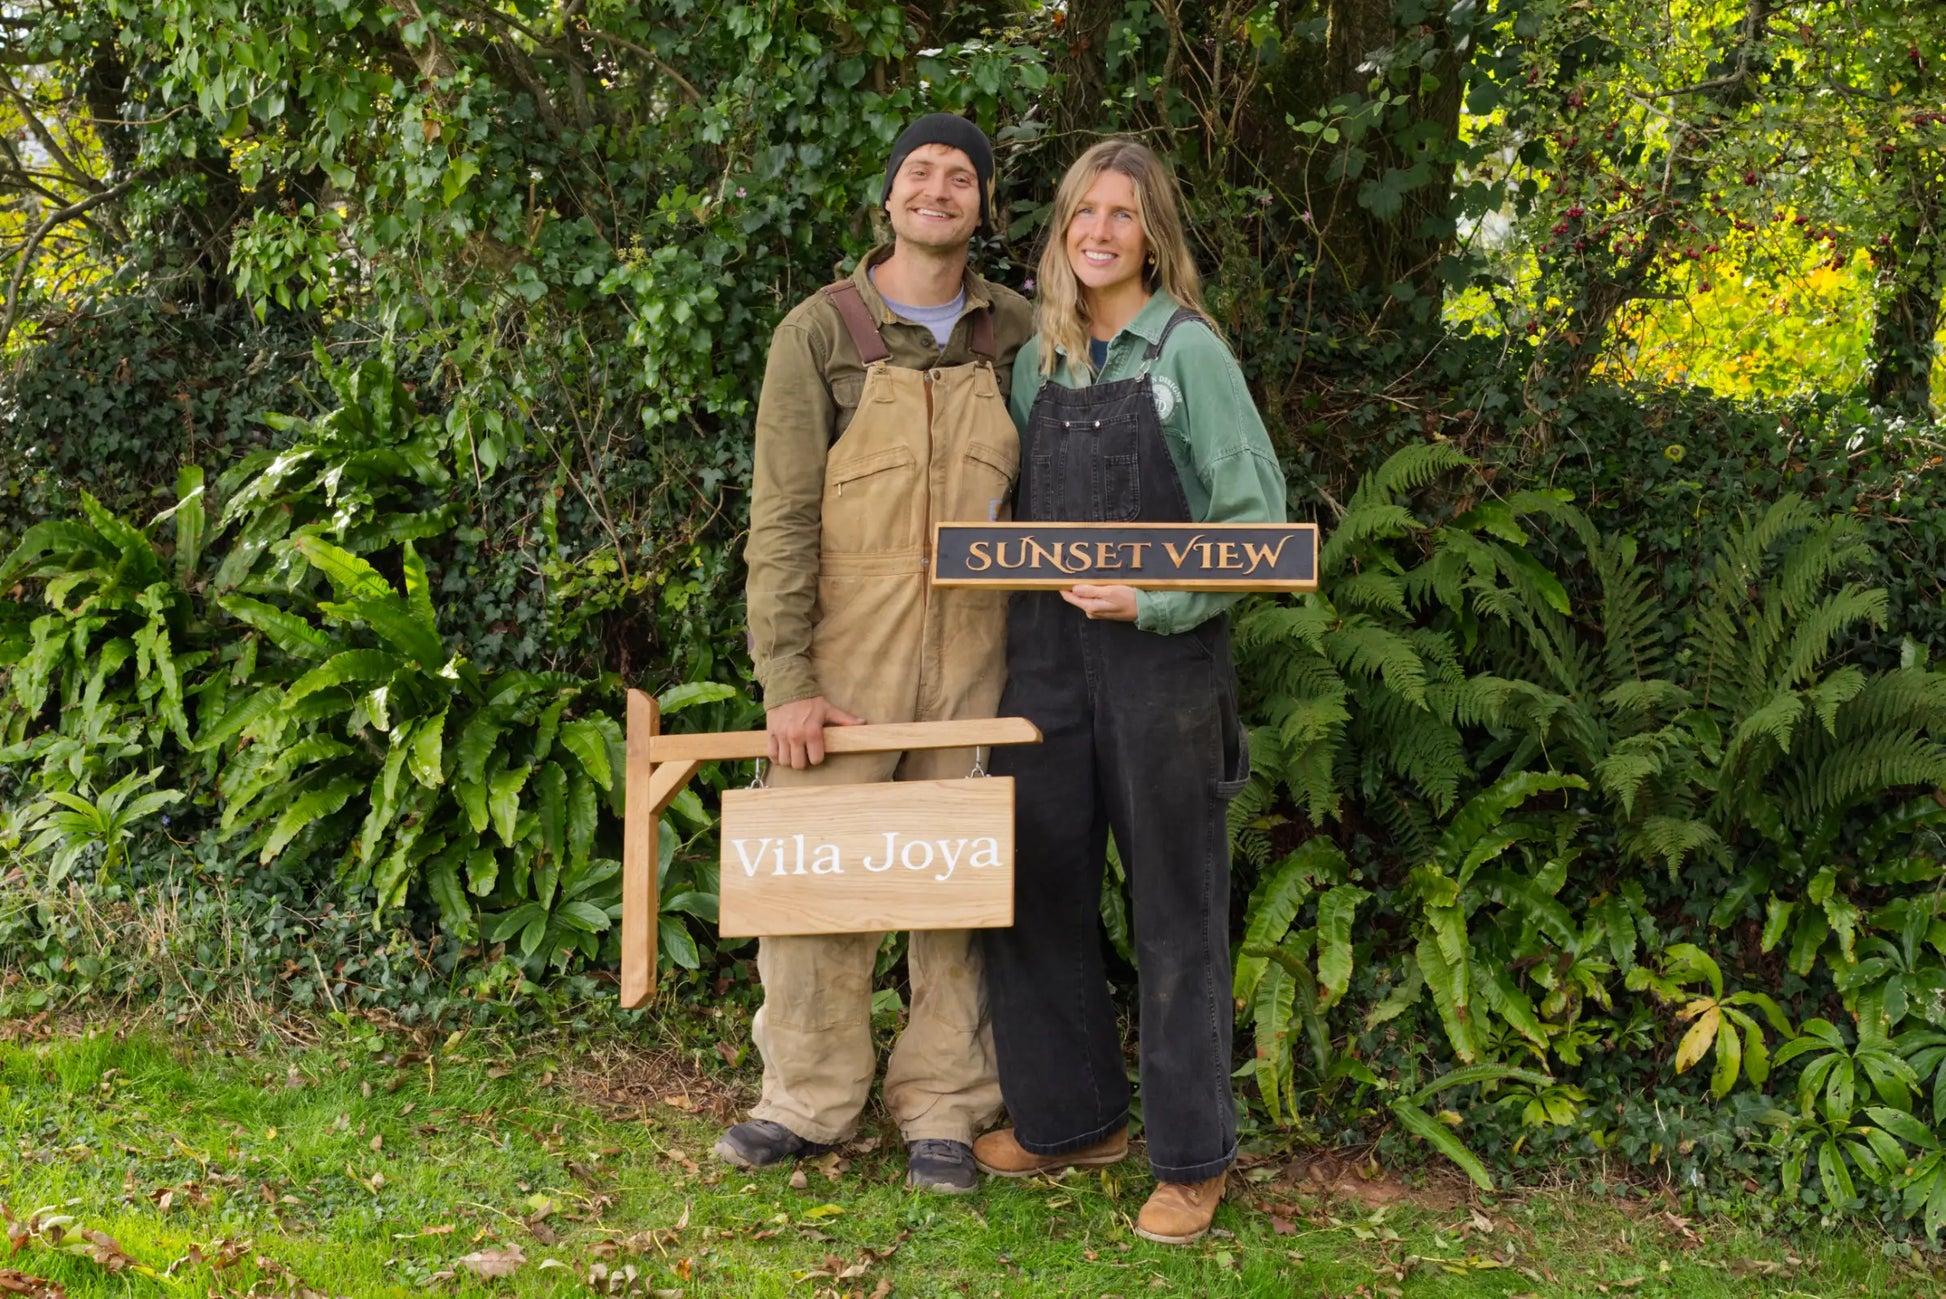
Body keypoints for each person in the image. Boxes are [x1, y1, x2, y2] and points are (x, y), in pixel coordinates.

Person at [969, 139, 1286, 1243]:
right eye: (1080, 213)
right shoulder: (1038, 360)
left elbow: (1257, 534)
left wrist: (1151, 601)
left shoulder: (1187, 353)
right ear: (1059, 231)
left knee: (1174, 912)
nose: (1097, 232)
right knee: (1035, 886)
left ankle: (1190, 1159)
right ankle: (1070, 1122)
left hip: (1163, 670)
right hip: (1044, 664)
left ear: (1153, 233)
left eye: (1121, 214)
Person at [721, 114, 1033, 1194]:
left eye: (960, 178)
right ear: (887, 198)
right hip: (843, 669)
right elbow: (780, 519)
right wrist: (787, 683)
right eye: (919, 172)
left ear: (982, 207)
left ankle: (946, 1105)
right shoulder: (821, 333)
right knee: (816, 886)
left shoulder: (1025, 337)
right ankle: (803, 1099)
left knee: (959, 892)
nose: (938, 189)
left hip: (978, 670)